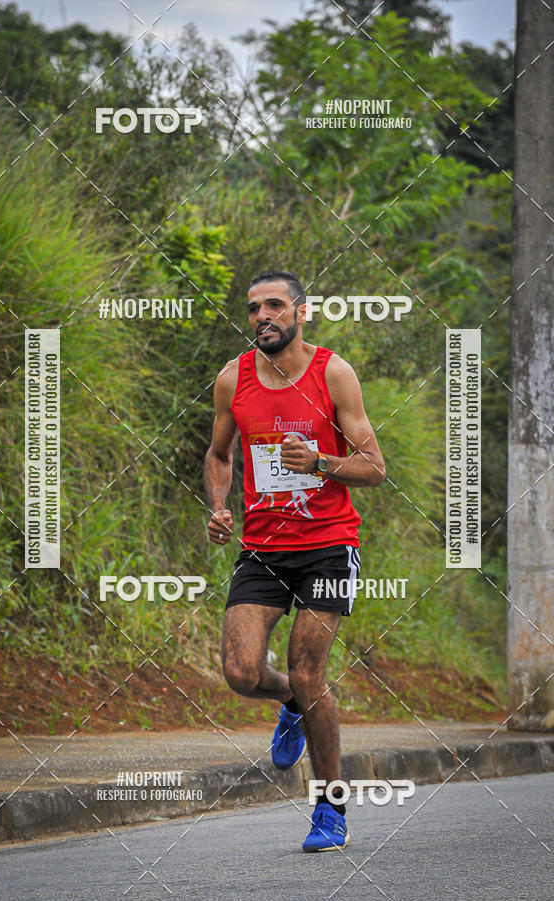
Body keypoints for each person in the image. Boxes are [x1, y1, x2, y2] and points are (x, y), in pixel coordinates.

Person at [204, 270, 385, 851]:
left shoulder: (333, 373)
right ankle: (289, 703)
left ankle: (330, 810)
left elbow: (374, 468)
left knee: (310, 673)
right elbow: (218, 454)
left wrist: (320, 463)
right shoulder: (232, 379)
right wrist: (219, 506)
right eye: (254, 307)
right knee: (241, 672)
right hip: (263, 548)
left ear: (301, 312)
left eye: (275, 305)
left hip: (328, 544)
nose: (263, 316)